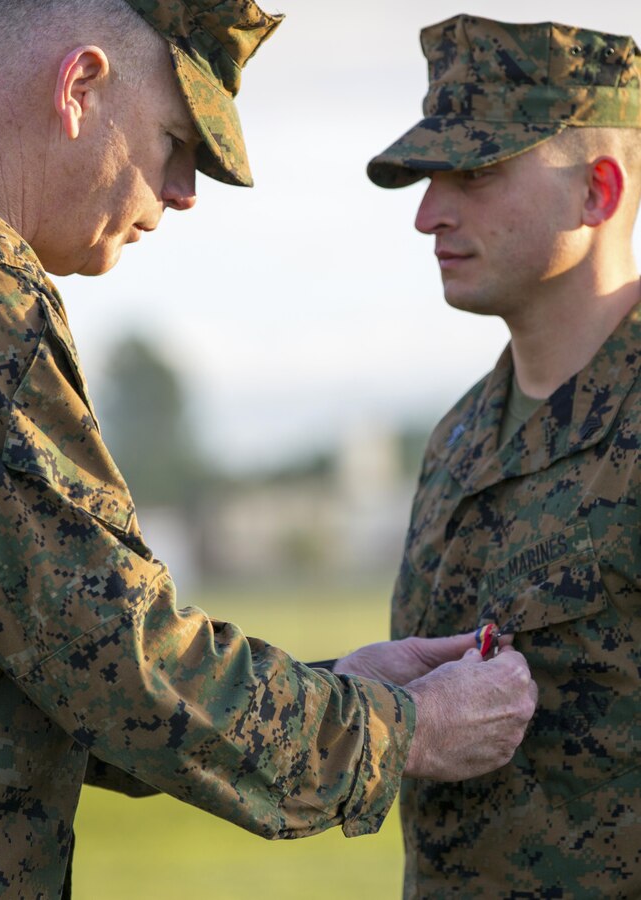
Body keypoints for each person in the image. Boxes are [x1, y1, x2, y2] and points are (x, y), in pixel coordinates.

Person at [0, 1, 538, 896]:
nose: (184, 190)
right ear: (80, 85)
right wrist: (398, 728)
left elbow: (28, 670)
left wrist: (339, 688)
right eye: (176, 140)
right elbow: (115, 663)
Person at [339, 12, 641, 898]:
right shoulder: (458, 438)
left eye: (473, 172)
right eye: (429, 179)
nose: (430, 213)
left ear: (597, 192)